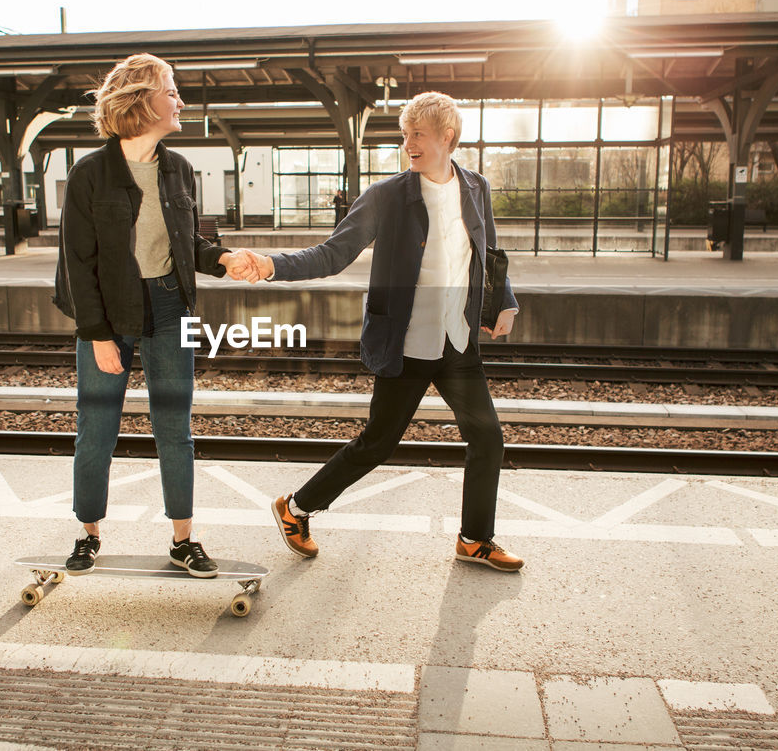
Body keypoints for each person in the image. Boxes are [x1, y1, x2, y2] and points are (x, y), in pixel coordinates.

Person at [230, 91, 523, 571]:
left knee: (487, 437)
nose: (408, 144)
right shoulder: (387, 197)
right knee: (378, 443)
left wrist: (504, 301)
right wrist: (268, 264)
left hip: (457, 340)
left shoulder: (476, 188)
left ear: (447, 137)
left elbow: (489, 253)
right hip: (405, 343)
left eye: (418, 135)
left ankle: (475, 539)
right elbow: (331, 254)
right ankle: (295, 508)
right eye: (404, 135)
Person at [53, 53, 245, 578]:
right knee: (96, 428)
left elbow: (191, 243)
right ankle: (88, 532)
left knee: (174, 428)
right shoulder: (90, 174)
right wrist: (96, 335)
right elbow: (77, 263)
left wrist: (224, 259)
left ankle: (184, 540)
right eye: (172, 91)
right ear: (142, 100)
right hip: (109, 312)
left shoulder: (178, 168)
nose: (180, 100)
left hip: (170, 304)